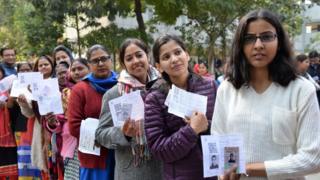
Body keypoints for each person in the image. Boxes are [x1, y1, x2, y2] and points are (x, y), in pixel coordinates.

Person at [211, 9, 320, 180]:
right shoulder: (227, 88)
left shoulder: (301, 90)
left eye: (267, 36)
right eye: (249, 38)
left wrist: (249, 168)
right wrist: (225, 171)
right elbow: (220, 140)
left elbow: (313, 158)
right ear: (240, 45)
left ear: (279, 41)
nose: (258, 45)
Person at [144, 34, 217, 180]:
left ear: (187, 55)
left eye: (178, 52)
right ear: (159, 66)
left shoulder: (210, 86)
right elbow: (158, 150)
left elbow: (223, 129)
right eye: (166, 57)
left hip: (213, 173)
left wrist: (206, 126)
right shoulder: (155, 98)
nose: (174, 59)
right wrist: (191, 130)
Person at [95, 38, 162, 180]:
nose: (136, 61)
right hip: (132, 171)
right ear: (123, 64)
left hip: (163, 168)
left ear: (147, 56)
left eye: (139, 55)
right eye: (129, 58)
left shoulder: (163, 86)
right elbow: (101, 133)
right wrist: (123, 133)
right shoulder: (114, 94)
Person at [68, 44, 117, 180]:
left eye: (104, 59)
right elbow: (74, 126)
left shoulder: (123, 84)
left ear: (110, 60)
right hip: (95, 157)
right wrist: (106, 137)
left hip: (122, 153)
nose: (100, 63)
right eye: (95, 61)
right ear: (89, 65)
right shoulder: (80, 89)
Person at [61, 58, 90, 180]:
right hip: (72, 142)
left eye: (80, 69)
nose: (77, 72)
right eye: (73, 70)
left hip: (91, 140)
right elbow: (62, 117)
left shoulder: (96, 88)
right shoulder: (66, 92)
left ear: (89, 69)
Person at [0, 65, 18, 180]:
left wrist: (5, 104)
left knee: (8, 158)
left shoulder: (8, 85)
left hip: (8, 129)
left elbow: (12, 105)